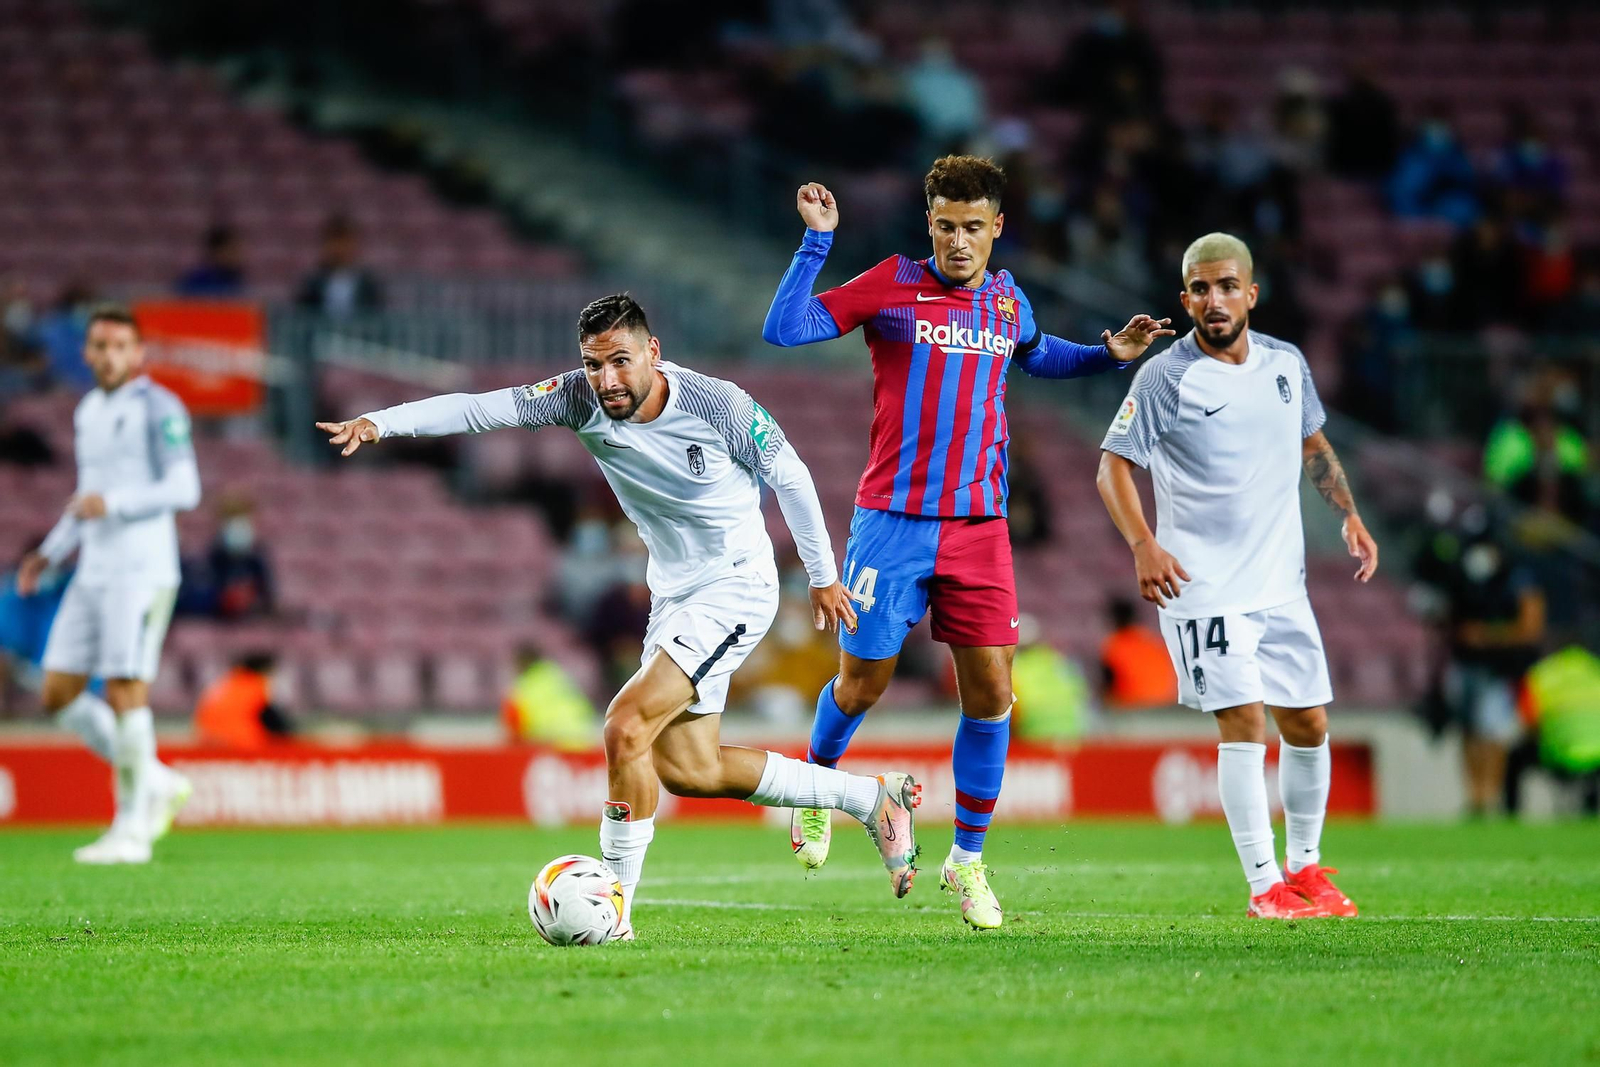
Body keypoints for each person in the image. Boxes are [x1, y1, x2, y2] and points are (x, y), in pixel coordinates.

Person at [318, 293, 922, 938]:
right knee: (690, 769)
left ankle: (615, 912)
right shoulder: (575, 399)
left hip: (737, 585)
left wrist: (823, 576)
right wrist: (381, 422)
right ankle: (871, 797)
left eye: (620, 361)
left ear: (653, 353)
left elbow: (792, 477)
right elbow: (479, 408)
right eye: (593, 364)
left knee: (626, 725)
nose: (606, 380)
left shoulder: (718, 404)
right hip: (674, 596)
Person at [762, 155, 1173, 929]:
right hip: (891, 523)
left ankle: (968, 859)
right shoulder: (891, 283)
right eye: (946, 226)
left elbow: (1037, 352)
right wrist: (816, 243)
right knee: (862, 684)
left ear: (997, 228)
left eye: (973, 228)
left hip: (980, 528)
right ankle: (814, 785)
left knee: (992, 693)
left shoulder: (1007, 299)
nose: (958, 242)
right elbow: (784, 329)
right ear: (929, 223)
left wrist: (1106, 355)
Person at [1096, 233, 1379, 920]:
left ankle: (1305, 869)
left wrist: (1348, 513)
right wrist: (1143, 544)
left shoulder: (1286, 363)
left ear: (1251, 293)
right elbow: (1112, 467)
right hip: (1205, 588)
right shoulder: (1165, 377)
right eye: (1200, 288)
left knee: (1308, 722)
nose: (1214, 300)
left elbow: (1312, 442)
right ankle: (1263, 888)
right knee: (1245, 721)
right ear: (1185, 298)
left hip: (1281, 584)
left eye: (1226, 286)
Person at [16, 305, 199, 864]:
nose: (110, 356)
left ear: (138, 353)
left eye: (121, 346)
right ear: (87, 353)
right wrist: (50, 551)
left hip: (141, 571)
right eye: (101, 346)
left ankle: (131, 830)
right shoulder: (89, 410)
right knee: (57, 692)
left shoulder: (159, 407)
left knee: (124, 689)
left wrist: (115, 503)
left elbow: (185, 488)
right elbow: (86, 495)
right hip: (92, 569)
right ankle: (158, 782)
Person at [501, 642, 597, 748]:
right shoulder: (557, 677)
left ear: (520, 664)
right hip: (582, 741)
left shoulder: (522, 688)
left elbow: (513, 726)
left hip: (549, 744)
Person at [194, 652, 294, 750]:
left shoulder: (227, 683)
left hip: (208, 739)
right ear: (263, 670)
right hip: (240, 741)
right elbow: (270, 717)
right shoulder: (256, 684)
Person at [295, 214, 383, 317]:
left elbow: (376, 316)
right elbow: (303, 315)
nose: (340, 249)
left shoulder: (368, 285)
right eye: (335, 242)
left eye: (345, 243)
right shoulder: (313, 284)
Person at [1099, 597, 1177, 709]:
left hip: (1132, 707)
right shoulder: (1153, 641)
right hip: (1164, 706)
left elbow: (1108, 684)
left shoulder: (1115, 645)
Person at [175, 224, 247, 298]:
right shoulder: (197, 280)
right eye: (230, 250)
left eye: (236, 250)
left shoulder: (237, 279)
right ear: (216, 251)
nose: (235, 255)